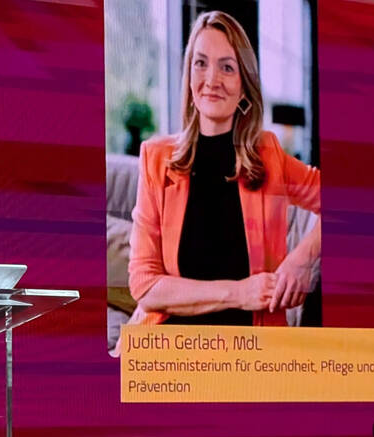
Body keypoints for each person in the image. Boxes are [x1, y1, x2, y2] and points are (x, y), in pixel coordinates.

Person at [128, 10, 321, 327]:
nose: (211, 80)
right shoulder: (155, 159)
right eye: (200, 63)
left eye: (227, 67)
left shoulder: (268, 155)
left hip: (251, 355)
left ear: (244, 86)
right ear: (189, 77)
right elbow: (145, 286)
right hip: (169, 351)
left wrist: (301, 262)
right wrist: (239, 293)